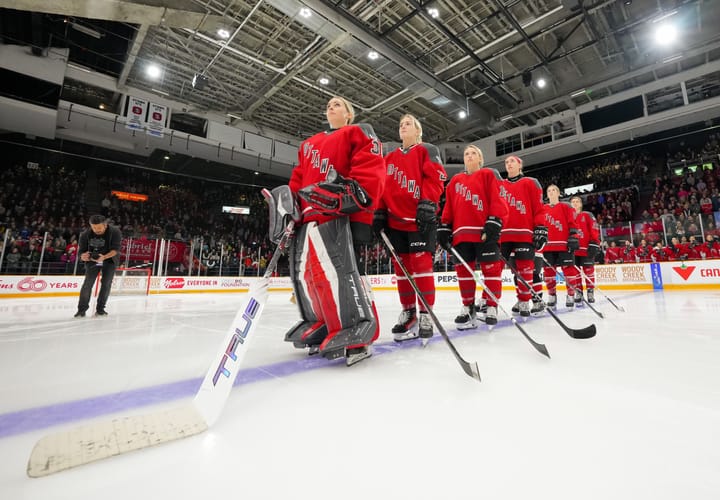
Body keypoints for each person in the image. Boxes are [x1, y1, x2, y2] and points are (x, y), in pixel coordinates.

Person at [284, 96, 385, 366]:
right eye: (328, 104)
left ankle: (360, 326)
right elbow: (298, 179)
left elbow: (371, 167)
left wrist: (358, 197)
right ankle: (323, 321)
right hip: (309, 216)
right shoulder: (308, 145)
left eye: (338, 104)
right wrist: (288, 208)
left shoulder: (357, 132)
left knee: (342, 273)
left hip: (341, 213)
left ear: (349, 114)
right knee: (312, 277)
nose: (331, 106)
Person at [374, 114, 447, 342]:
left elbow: (436, 178)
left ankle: (426, 313)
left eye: (408, 123)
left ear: (418, 131)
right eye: (400, 124)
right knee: (402, 271)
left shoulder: (426, 149)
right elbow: (383, 186)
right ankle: (409, 313)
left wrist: (428, 202)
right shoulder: (390, 157)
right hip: (395, 222)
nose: (403, 126)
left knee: (422, 266)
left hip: (420, 219)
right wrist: (379, 210)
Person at [438, 145, 508, 328]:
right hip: (461, 234)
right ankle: (468, 307)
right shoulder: (454, 181)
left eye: (473, 153)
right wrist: (445, 225)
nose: (469, 156)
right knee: (463, 273)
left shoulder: (488, 175)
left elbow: (497, 199)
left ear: (480, 158)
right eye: (466, 154)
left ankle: (491, 306)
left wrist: (494, 219)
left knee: (491, 270)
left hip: (484, 231)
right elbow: (449, 207)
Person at [498, 155, 547, 318]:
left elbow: (539, 207)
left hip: (525, 233)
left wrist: (540, 227)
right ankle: (519, 298)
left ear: (520, 165)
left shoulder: (530, 182)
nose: (508, 163)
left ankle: (529, 300)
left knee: (527, 269)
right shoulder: (500, 185)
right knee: (513, 271)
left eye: (512, 161)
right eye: (506, 162)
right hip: (504, 234)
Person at [74, 215, 122, 317]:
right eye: (94, 228)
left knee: (106, 284)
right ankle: (81, 310)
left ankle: (100, 309)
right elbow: (81, 251)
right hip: (92, 261)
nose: (96, 230)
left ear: (105, 225)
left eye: (99, 228)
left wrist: (104, 257)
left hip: (109, 260)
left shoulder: (115, 232)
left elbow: (116, 250)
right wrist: (83, 256)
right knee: (87, 284)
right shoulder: (85, 234)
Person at [541, 184, 579, 310]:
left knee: (569, 271)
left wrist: (573, 236)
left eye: (553, 190)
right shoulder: (542, 208)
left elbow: (572, 222)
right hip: (548, 246)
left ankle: (571, 295)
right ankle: (552, 295)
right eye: (549, 191)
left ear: (558, 193)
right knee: (548, 273)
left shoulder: (566, 206)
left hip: (564, 244)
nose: (551, 192)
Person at [570, 196, 601, 304]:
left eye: (577, 201)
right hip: (573, 250)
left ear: (581, 204)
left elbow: (594, 228)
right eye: (573, 202)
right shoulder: (568, 217)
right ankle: (579, 292)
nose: (575, 203)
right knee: (576, 274)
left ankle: (590, 291)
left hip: (586, 249)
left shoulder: (587, 215)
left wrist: (594, 243)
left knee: (589, 272)